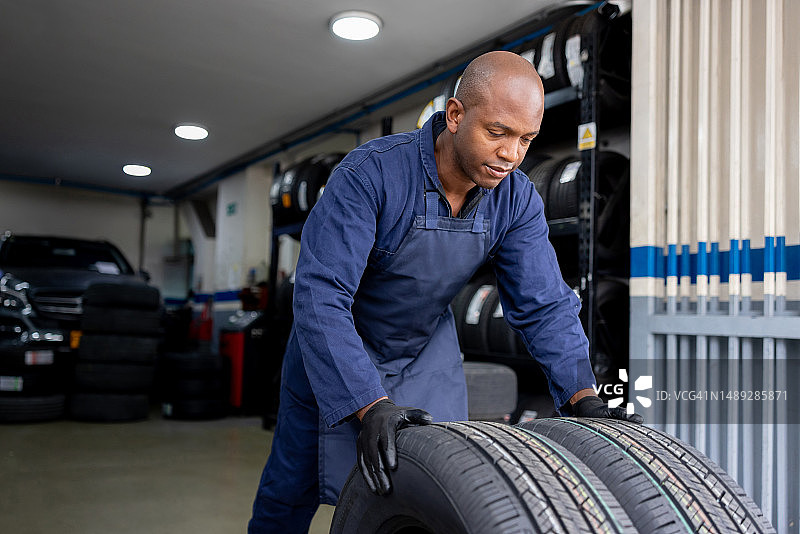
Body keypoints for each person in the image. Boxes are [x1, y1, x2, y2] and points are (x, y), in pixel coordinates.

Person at [248, 50, 641, 533]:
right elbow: (320, 295)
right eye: (497, 133)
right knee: (289, 492)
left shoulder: (516, 198)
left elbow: (545, 306)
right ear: (455, 115)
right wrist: (369, 404)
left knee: (439, 491)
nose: (511, 155)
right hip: (335, 351)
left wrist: (584, 397)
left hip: (424, 353)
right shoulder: (370, 174)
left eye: (526, 139)